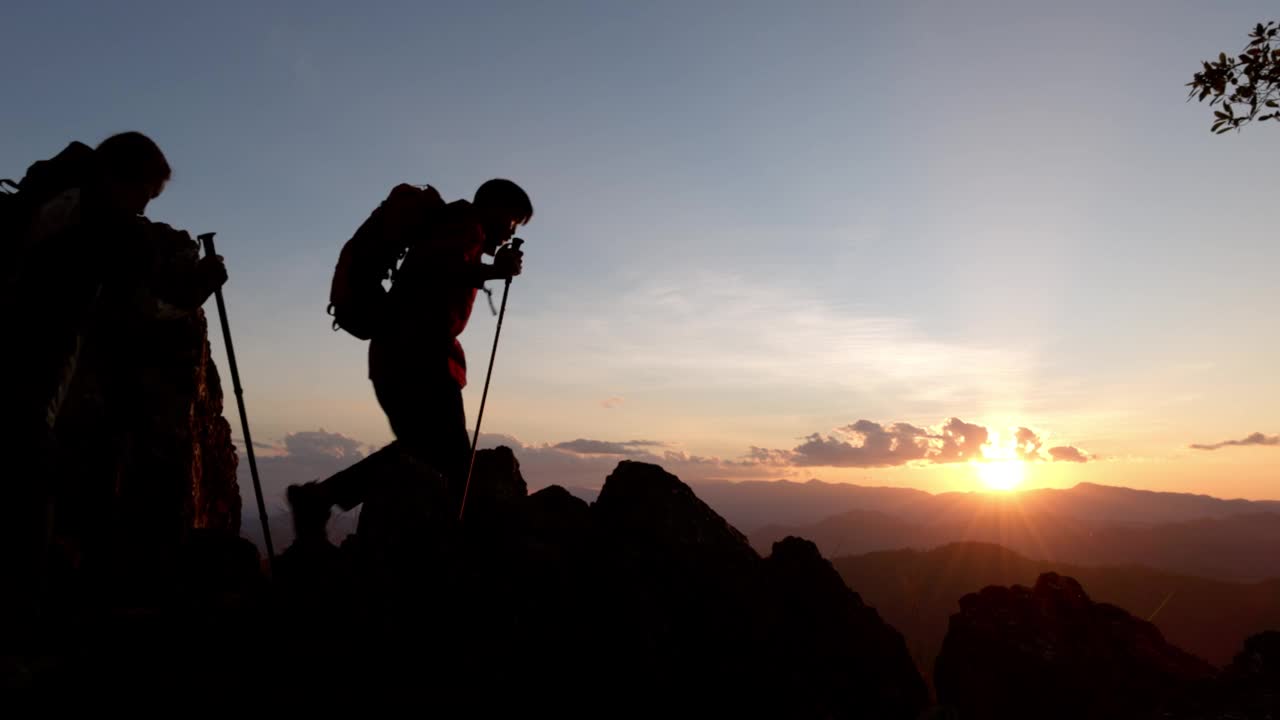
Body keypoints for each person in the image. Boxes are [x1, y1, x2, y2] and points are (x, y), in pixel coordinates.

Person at [287, 179, 531, 543]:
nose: (510, 232)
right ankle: (433, 546)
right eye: (513, 221)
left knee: (423, 448)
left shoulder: (460, 230)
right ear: (496, 210)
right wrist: (494, 271)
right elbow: (430, 271)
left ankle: (320, 498)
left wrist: (488, 267)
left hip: (402, 354)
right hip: (420, 357)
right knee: (446, 454)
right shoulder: (466, 226)